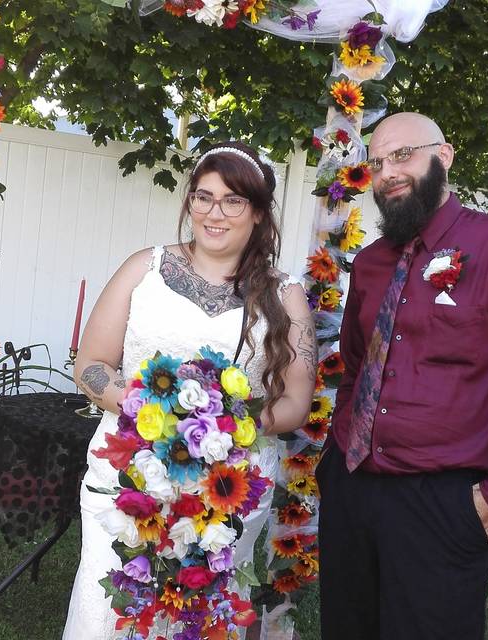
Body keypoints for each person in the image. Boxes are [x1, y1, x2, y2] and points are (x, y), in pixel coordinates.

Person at [317, 113, 488, 639]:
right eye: (377, 162)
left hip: (442, 502)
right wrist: (333, 462)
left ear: (445, 155)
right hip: (353, 490)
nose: (388, 172)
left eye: (403, 155)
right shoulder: (369, 263)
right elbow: (356, 366)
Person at [63, 141, 316, 639]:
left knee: (204, 610)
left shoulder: (285, 295)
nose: (213, 213)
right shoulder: (144, 268)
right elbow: (91, 363)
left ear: (259, 213)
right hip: (128, 472)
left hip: (229, 484)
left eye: (232, 201)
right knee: (110, 597)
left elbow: (295, 402)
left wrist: (228, 426)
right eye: (203, 197)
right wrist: (153, 415)